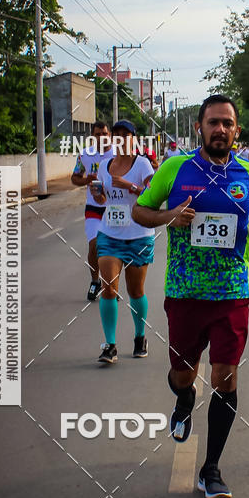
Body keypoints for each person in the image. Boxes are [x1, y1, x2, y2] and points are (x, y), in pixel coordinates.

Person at [131, 94, 249, 498]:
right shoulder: (175, 168)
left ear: (237, 130)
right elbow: (140, 211)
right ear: (200, 128)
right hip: (185, 293)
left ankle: (211, 469)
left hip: (232, 291)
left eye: (227, 123)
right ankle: (185, 398)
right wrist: (168, 217)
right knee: (182, 375)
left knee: (226, 377)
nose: (220, 129)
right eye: (213, 122)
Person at [89, 122, 155, 364]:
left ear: (134, 139)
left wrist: (131, 186)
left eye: (125, 136)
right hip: (109, 234)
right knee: (109, 288)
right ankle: (110, 345)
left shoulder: (142, 164)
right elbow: (103, 199)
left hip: (138, 235)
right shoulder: (104, 166)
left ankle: (140, 337)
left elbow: (153, 195)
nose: (120, 140)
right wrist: (97, 194)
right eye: (116, 136)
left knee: (135, 291)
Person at [71, 121, 113, 301]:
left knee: (113, 248)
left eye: (104, 133)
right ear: (93, 136)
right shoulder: (85, 155)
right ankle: (95, 281)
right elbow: (75, 177)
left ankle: (111, 285)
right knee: (94, 245)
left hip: (114, 207)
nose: (101, 137)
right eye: (97, 134)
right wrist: (86, 180)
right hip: (93, 208)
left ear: (109, 135)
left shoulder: (118, 154)